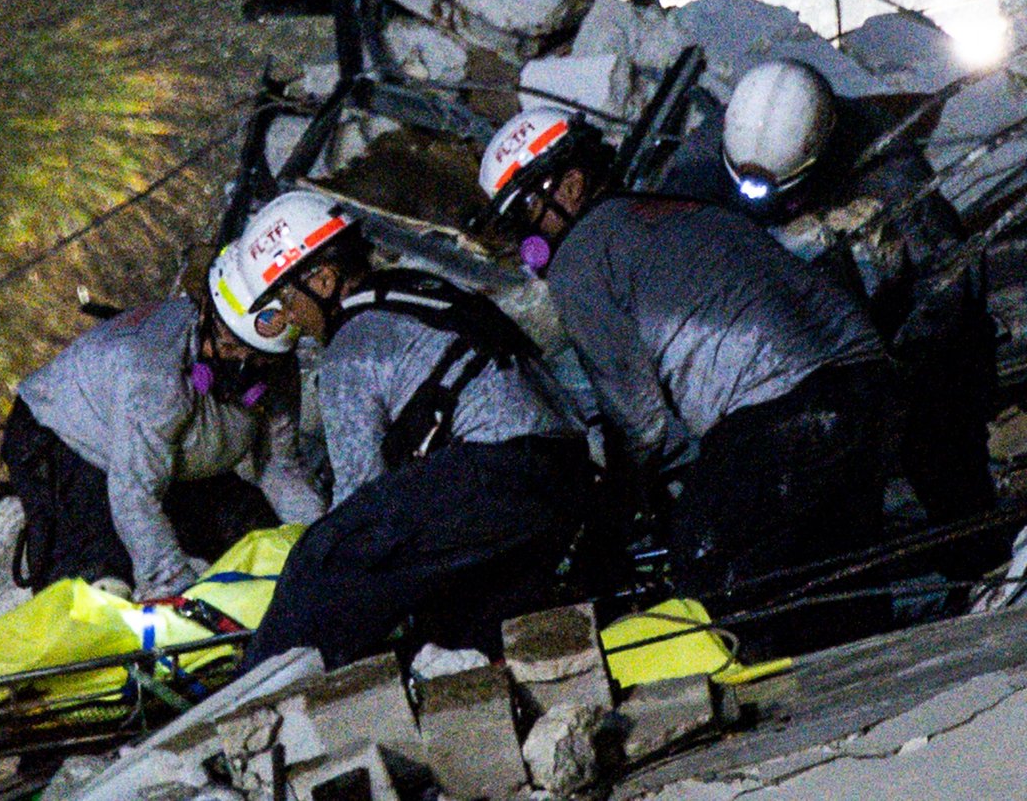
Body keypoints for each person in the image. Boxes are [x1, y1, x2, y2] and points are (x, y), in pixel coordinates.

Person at [482, 106, 899, 656]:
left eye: (528, 213)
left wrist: (608, 523)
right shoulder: (684, 208)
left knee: (708, 565)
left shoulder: (579, 261)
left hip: (782, 406)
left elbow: (641, 422)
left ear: (573, 184)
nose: (526, 239)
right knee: (833, 564)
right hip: (870, 380)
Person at [660, 59, 1001, 582]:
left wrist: (902, 353)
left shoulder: (884, 164)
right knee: (821, 490)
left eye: (790, 191)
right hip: (782, 339)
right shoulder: (700, 167)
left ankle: (979, 566)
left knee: (944, 442)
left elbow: (948, 274)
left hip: (892, 329)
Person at [236, 191, 589, 670]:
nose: (288, 318)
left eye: (285, 296)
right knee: (452, 638)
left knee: (322, 555)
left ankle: (256, 697)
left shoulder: (351, 348)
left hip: (497, 472)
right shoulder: (422, 290)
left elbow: (358, 498)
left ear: (322, 277)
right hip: (565, 475)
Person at [3, 237, 325, 603]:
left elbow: (280, 469)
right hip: (63, 432)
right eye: (231, 348)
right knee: (99, 582)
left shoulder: (277, 367)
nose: (241, 368)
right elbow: (134, 492)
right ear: (205, 316)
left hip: (170, 449)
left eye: (256, 359)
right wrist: (175, 590)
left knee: (257, 529)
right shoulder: (155, 373)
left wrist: (326, 538)